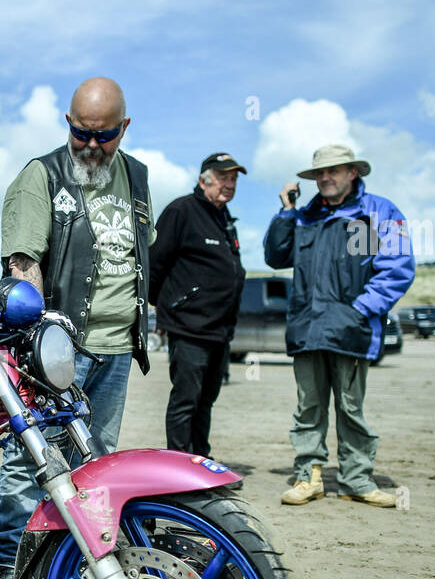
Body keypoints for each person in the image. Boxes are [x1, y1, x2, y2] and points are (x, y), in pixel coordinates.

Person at [0, 77, 156, 579]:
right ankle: (11, 570)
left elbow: (136, 256)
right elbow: (24, 265)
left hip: (116, 346)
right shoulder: (42, 176)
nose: (90, 146)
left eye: (103, 136)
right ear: (68, 124)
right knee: (28, 462)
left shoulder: (139, 177)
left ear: (124, 128)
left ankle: (75, 564)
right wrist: (38, 340)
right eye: (81, 133)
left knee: (94, 462)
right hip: (58, 351)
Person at [263, 144, 414, 508]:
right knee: (308, 409)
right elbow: (275, 256)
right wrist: (286, 211)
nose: (325, 178)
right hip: (307, 329)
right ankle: (309, 476)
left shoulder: (372, 214)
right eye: (320, 173)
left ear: (353, 173)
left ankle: (356, 479)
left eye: (333, 171)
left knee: (350, 408)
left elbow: (395, 268)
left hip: (350, 330)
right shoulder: (304, 218)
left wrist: (360, 310)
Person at [149, 152, 247, 460]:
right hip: (189, 327)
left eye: (233, 179)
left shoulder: (225, 219)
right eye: (223, 177)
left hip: (219, 330)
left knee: (206, 401)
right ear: (204, 179)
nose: (229, 184)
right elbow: (154, 265)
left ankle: (201, 462)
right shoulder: (181, 211)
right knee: (186, 401)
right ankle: (180, 467)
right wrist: (171, 308)